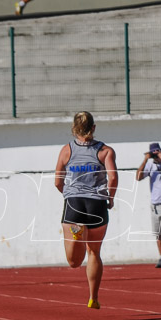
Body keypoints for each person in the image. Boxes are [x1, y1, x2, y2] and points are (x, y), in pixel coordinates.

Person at [54, 111, 118, 309]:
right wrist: (110, 198)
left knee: (73, 262)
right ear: (93, 128)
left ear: (74, 128)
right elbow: (113, 178)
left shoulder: (67, 150)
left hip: (74, 202)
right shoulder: (105, 151)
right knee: (94, 253)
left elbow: (57, 181)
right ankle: (93, 297)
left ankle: (77, 235)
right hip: (97, 204)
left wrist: (68, 194)